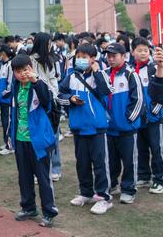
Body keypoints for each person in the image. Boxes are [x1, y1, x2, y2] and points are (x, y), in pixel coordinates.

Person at [58, 44, 113, 214]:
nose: (81, 59)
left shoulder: (100, 74)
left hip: (97, 128)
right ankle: (86, 193)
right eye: (78, 56)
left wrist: (97, 72)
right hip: (78, 128)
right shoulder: (72, 76)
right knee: (82, 163)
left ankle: (104, 197)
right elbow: (60, 95)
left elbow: (106, 91)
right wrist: (70, 98)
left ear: (93, 59)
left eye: (85, 56)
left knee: (100, 164)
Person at [10, 54, 57, 228]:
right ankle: (29, 207)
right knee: (24, 177)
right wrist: (10, 136)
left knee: (43, 178)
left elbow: (47, 102)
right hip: (20, 139)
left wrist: (36, 81)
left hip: (38, 140)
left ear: (31, 68)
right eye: (18, 71)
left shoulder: (38, 85)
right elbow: (13, 114)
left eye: (25, 69)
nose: (22, 74)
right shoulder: (15, 87)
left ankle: (49, 212)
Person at [105, 43, 144, 204]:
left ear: (124, 56)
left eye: (114, 55)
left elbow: (139, 100)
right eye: (109, 56)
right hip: (109, 129)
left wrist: (128, 120)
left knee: (129, 161)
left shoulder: (130, 75)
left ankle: (128, 189)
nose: (111, 58)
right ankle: (112, 184)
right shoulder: (104, 74)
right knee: (111, 161)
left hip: (127, 129)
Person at [131, 37, 163, 194]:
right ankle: (144, 175)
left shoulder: (154, 69)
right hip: (138, 118)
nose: (143, 53)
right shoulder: (131, 71)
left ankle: (159, 179)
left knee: (156, 148)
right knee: (141, 147)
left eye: (145, 50)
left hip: (153, 117)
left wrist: (155, 110)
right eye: (139, 50)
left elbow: (159, 92)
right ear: (132, 52)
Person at [30, 32, 61, 181]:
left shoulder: (50, 60)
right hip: (36, 104)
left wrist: (54, 95)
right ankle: (40, 170)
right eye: (49, 43)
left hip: (50, 103)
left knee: (52, 136)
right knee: (39, 137)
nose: (51, 46)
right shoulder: (30, 61)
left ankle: (55, 167)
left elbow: (53, 79)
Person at [0, 44, 14, 156]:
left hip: (7, 100)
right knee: (4, 121)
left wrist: (5, 95)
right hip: (2, 100)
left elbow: (10, 83)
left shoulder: (10, 65)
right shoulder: (3, 65)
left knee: (7, 122)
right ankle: (6, 141)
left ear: (3, 53)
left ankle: (9, 145)